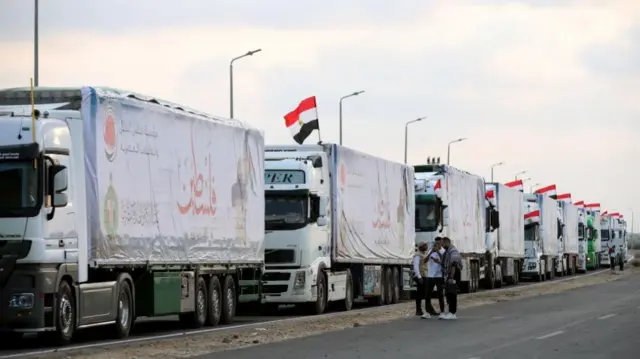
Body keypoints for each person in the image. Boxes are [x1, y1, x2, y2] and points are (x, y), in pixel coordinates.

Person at [423, 238, 445, 318]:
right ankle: (427, 312)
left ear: (441, 244)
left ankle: (442, 312)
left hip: (439, 276)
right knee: (427, 294)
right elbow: (424, 261)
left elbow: (444, 262)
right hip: (430, 275)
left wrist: (438, 254)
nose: (437, 245)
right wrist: (431, 252)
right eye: (435, 244)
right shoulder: (430, 251)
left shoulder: (443, 251)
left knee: (440, 294)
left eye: (438, 244)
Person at [441, 236, 462, 320]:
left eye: (443, 244)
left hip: (453, 274)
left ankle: (453, 313)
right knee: (449, 294)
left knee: (452, 294)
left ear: (447, 242)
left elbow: (454, 265)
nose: (442, 246)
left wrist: (451, 277)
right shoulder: (448, 251)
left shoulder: (453, 251)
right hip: (449, 275)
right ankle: (450, 311)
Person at [412, 241, 429, 316]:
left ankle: (420, 309)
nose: (426, 246)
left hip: (424, 275)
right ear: (420, 247)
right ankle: (418, 310)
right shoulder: (417, 255)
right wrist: (419, 277)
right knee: (420, 294)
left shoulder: (424, 254)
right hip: (420, 276)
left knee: (423, 293)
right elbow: (416, 267)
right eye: (425, 245)